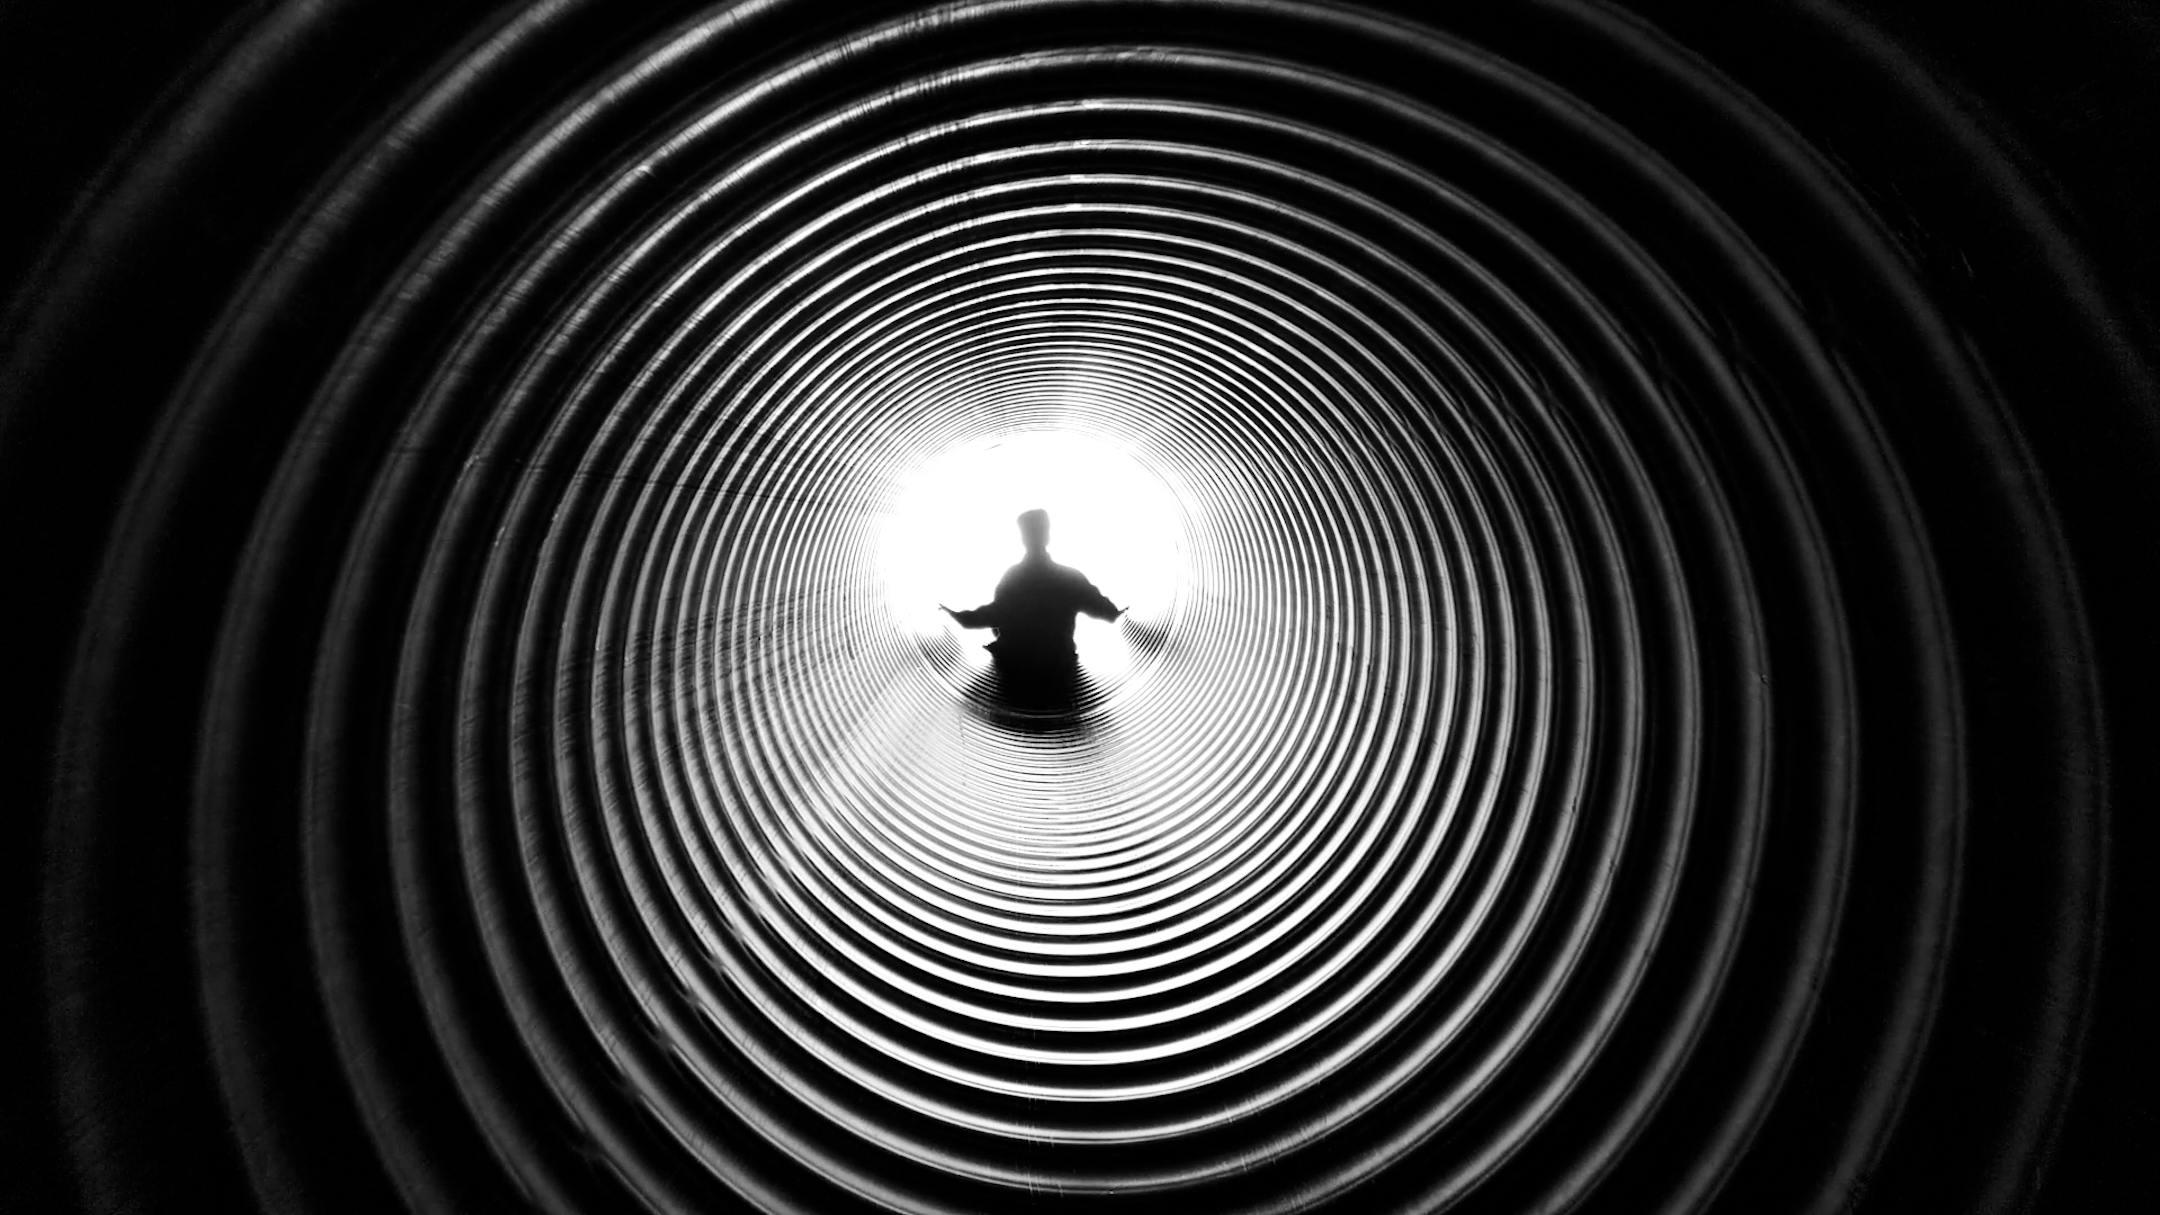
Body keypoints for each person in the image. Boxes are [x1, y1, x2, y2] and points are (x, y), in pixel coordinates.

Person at [941, 509, 1124, 665]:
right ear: (1048, 535)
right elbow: (1104, 609)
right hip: (1058, 661)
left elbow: (996, 614)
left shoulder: (1014, 577)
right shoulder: (1070, 577)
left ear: (1023, 539)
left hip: (1015, 664)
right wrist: (1119, 612)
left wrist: (959, 617)